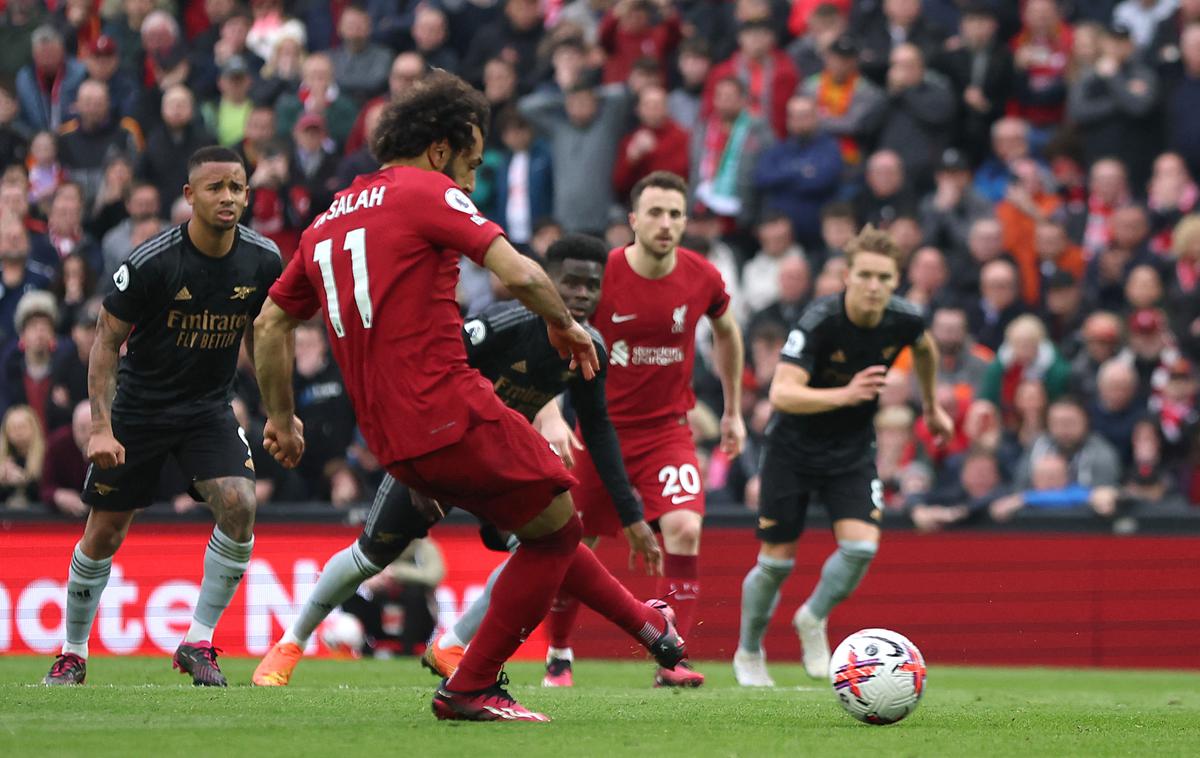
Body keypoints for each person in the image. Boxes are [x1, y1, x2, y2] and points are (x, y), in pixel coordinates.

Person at [251, 72, 685, 722]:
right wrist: (566, 327)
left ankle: (648, 629)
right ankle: (469, 678)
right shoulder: (428, 193)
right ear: (438, 149)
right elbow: (521, 272)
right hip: (448, 405)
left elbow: (269, 323)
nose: (470, 182)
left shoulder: (326, 221)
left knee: (546, 527)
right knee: (559, 529)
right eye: (470, 163)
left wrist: (281, 419)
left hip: (391, 440)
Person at [251, 233, 663, 686]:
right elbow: (426, 379)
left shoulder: (592, 348)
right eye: (572, 283)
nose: (582, 294)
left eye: (592, 285)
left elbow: (599, 430)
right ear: (547, 281)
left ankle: (453, 644)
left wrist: (631, 515)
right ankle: (291, 642)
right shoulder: (501, 325)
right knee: (371, 555)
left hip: (500, 464)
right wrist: (417, 474)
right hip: (438, 451)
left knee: (545, 549)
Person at [40, 146, 286, 687]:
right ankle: (72, 652)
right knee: (104, 534)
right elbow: (105, 342)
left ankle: (197, 643)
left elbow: (268, 334)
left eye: (237, 188)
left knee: (241, 504)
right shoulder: (151, 262)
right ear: (189, 195)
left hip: (207, 410)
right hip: (140, 409)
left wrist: (280, 414)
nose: (228, 197)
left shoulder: (264, 260)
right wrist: (101, 427)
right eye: (216, 187)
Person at [525, 170, 745, 688]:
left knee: (686, 528)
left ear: (686, 220)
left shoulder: (702, 276)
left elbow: (728, 332)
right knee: (575, 544)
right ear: (633, 220)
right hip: (601, 434)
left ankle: (672, 659)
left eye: (675, 214)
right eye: (655, 213)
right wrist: (551, 411)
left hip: (668, 431)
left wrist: (733, 410)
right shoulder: (602, 277)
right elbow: (552, 337)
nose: (666, 223)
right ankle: (558, 654)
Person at [733, 225, 953, 687]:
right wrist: (848, 393)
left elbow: (926, 349)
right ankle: (749, 652)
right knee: (776, 563)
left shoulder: (905, 319)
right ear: (847, 276)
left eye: (884, 278)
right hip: (792, 448)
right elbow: (783, 394)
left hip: (851, 449)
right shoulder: (819, 320)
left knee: (860, 546)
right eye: (866, 275)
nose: (875, 286)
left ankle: (812, 617)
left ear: (896, 281)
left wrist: (932, 407)